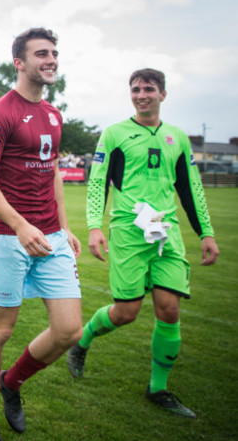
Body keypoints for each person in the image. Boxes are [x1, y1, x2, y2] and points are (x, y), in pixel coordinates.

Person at [66, 68, 220, 419]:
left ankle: (158, 388)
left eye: (148, 89)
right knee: (126, 313)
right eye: (135, 89)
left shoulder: (178, 138)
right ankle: (82, 339)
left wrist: (206, 232)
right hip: (129, 231)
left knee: (170, 309)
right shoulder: (115, 134)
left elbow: (190, 188)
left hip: (166, 233)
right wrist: (94, 226)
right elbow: (98, 182)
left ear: (162, 94)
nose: (141, 94)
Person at [0, 28, 82, 441]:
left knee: (69, 330)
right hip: (7, 237)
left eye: (54, 53)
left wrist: (65, 227)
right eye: (41, 53)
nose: (51, 59)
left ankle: (11, 382)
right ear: (19, 62)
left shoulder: (54, 115)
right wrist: (20, 225)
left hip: (51, 237)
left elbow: (52, 169)